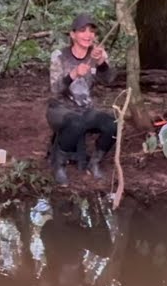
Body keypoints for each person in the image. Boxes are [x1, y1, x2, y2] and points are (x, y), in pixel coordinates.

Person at [46, 13, 117, 185]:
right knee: (75, 123)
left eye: (91, 31)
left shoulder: (96, 54)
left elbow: (108, 80)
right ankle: (59, 165)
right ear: (73, 35)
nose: (88, 35)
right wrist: (73, 74)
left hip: (85, 109)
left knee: (112, 124)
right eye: (82, 30)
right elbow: (55, 89)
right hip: (59, 109)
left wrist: (102, 63)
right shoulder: (59, 55)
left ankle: (95, 162)